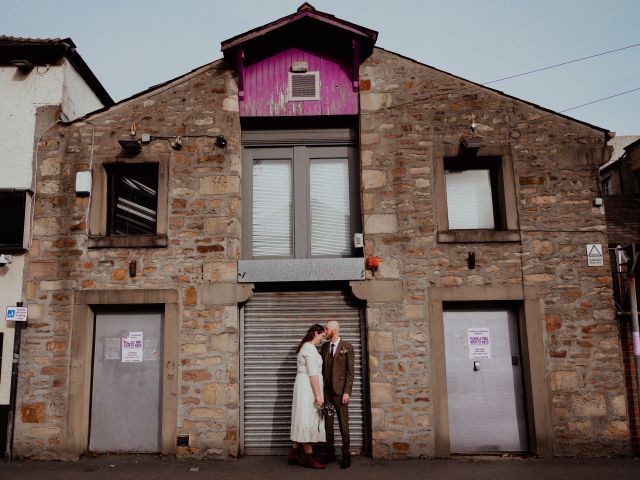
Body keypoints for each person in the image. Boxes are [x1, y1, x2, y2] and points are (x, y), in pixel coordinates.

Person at [289, 323, 326, 469]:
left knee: (303, 417)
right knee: (306, 419)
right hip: (308, 388)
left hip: (305, 386)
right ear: (316, 333)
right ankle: (310, 458)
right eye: (322, 335)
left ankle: (293, 453)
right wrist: (318, 395)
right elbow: (312, 374)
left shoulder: (306, 347)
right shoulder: (309, 348)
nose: (323, 338)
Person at [321, 320, 354, 469]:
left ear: (334, 330)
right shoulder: (324, 347)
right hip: (327, 393)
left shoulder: (347, 347)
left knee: (343, 425)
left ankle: (346, 455)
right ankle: (330, 453)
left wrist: (347, 392)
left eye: (327, 329)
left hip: (340, 394)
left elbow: (350, 373)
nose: (325, 331)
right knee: (328, 425)